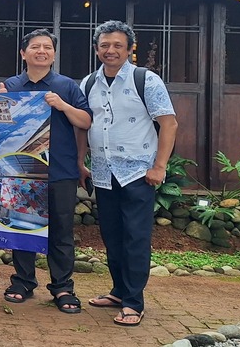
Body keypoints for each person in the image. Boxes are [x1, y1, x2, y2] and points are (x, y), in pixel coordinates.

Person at [78, 20, 177, 327]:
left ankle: (134, 302)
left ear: (130, 49)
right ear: (97, 49)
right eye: (105, 45)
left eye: (118, 45)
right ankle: (120, 292)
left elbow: (169, 123)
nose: (111, 51)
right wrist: (82, 163)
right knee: (112, 236)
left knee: (135, 237)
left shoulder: (145, 80)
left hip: (138, 174)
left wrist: (159, 166)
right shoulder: (88, 83)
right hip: (104, 174)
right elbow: (83, 124)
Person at [0, 29, 92, 313]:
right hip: (21, 169)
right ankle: (22, 282)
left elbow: (86, 121)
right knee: (22, 225)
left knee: (61, 231)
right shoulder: (12, 84)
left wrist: (62, 105)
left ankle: (62, 287)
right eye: (35, 47)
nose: (41, 51)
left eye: (47, 47)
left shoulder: (67, 86)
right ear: (23, 53)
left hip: (60, 169)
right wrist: (0, 104)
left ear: (53, 53)